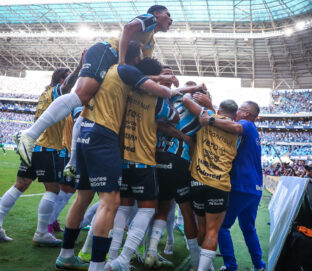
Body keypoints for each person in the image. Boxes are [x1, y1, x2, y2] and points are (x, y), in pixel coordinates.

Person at [54, 41, 177, 271]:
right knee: (111, 203)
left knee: (83, 199)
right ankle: (101, 266)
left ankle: (67, 254)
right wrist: (176, 89)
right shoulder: (129, 74)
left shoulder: (105, 74)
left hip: (86, 135)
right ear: (136, 60)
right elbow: (168, 107)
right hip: (107, 139)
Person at [15, 5, 176, 168]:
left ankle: (73, 162)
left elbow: (137, 71)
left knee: (88, 108)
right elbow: (128, 28)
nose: (171, 19)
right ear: (156, 14)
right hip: (107, 52)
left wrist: (158, 77)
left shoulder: (151, 42)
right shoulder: (149, 19)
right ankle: (30, 134)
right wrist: (121, 62)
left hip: (112, 66)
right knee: (82, 96)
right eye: (168, 15)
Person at [106, 58, 179, 271]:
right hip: (143, 158)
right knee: (147, 210)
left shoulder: (124, 90)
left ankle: (112, 258)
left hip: (121, 157)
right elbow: (173, 118)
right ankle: (123, 260)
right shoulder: (157, 97)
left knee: (124, 208)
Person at [0, 61, 84, 243]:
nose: (73, 80)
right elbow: (68, 85)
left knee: (20, 184)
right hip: (49, 147)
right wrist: (80, 66)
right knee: (53, 188)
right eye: (69, 76)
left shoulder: (44, 94)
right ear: (62, 78)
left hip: (33, 145)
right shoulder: (57, 92)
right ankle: (41, 233)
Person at [144, 78, 211, 270]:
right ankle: (197, 263)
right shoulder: (201, 114)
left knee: (162, 208)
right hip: (178, 160)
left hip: (157, 158)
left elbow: (161, 119)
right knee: (187, 213)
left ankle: (151, 252)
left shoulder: (172, 101)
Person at [186, 98, 239, 271]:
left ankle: (198, 264)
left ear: (220, 109)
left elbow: (187, 100)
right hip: (219, 183)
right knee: (212, 231)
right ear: (235, 114)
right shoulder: (237, 129)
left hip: (197, 181)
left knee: (202, 227)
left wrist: (204, 101)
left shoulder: (206, 116)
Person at [217, 101, 266, 271]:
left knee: (222, 226)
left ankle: (231, 267)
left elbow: (235, 128)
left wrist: (209, 119)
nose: (236, 112)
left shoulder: (246, 124)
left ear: (245, 113)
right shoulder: (255, 132)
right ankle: (259, 266)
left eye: (239, 110)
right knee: (248, 228)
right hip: (255, 188)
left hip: (241, 185)